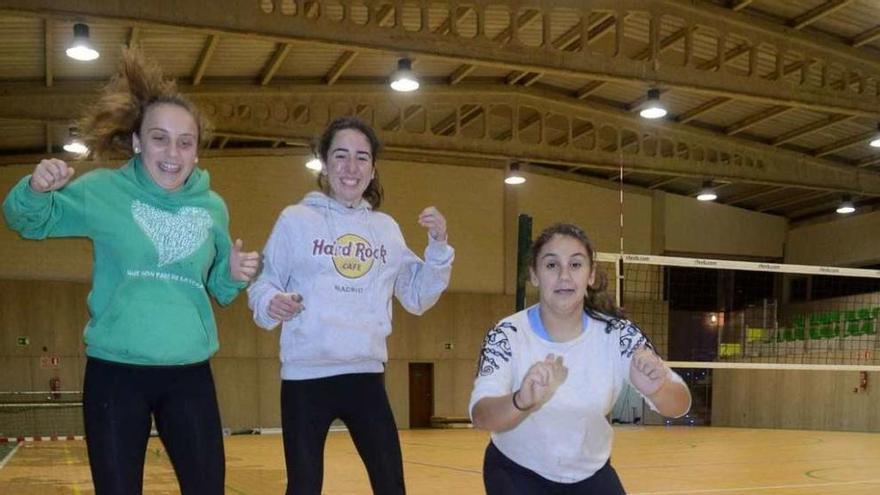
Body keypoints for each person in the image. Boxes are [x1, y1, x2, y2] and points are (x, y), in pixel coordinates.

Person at [2, 48, 260, 494]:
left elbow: (216, 291)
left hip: (189, 373)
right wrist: (35, 189)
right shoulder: (105, 191)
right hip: (116, 374)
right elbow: (29, 222)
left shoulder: (212, 207)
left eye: (186, 142)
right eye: (159, 138)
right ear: (138, 142)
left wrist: (234, 274)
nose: (173, 153)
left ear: (197, 150)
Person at [248, 116, 454, 494]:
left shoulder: (386, 229)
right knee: (304, 486)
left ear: (373, 169)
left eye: (362, 158)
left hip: (365, 377)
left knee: (391, 484)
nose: (351, 167)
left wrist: (438, 246)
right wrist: (271, 302)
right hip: (305, 378)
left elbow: (417, 297)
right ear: (324, 163)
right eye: (340, 156)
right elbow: (264, 281)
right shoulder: (295, 220)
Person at [470, 223, 691, 494]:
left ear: (590, 275)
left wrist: (659, 389)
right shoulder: (506, 335)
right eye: (552, 265)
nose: (564, 276)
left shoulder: (618, 334)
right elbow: (482, 416)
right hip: (517, 471)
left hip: (591, 472)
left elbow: (680, 404)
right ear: (534, 275)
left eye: (575, 265)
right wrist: (520, 401)